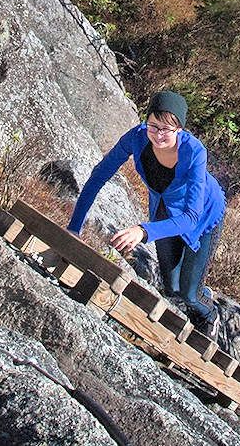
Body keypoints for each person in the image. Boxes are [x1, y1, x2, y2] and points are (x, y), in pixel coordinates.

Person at [68, 91, 227, 334]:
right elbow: (99, 175)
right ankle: (195, 290)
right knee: (172, 289)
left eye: (167, 129)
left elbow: (191, 217)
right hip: (165, 209)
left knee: (190, 295)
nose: (159, 134)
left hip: (202, 214)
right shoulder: (137, 138)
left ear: (180, 130)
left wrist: (143, 232)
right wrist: (73, 228)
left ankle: (210, 313)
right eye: (153, 126)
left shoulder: (195, 152)